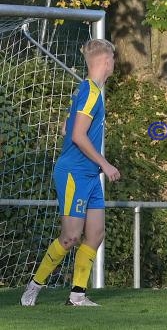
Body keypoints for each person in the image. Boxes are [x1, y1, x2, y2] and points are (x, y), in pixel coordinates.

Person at [21, 39, 120, 306]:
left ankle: (77, 295)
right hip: (75, 172)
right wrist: (106, 164)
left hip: (89, 174)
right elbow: (77, 135)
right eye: (113, 59)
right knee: (70, 237)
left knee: (96, 233)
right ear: (105, 62)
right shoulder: (89, 92)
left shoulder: (89, 90)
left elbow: (67, 127)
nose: (114, 64)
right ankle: (34, 286)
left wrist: (95, 162)